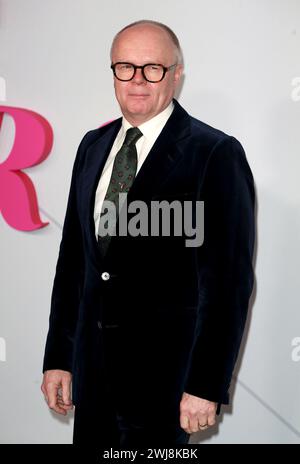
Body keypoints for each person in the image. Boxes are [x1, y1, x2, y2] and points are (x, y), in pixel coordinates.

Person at [41, 19, 255, 446]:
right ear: (113, 72)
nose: (137, 80)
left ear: (176, 74)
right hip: (93, 378)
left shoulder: (214, 153)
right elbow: (74, 263)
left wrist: (205, 385)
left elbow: (227, 284)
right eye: (125, 67)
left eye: (152, 68)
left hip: (166, 386)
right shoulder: (93, 146)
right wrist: (60, 359)